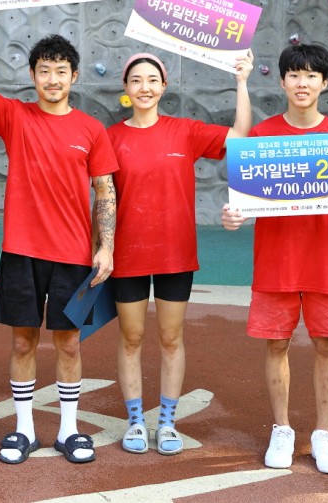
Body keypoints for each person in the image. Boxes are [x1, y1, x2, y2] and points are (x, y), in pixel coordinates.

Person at [0, 0, 118, 465]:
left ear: (74, 76)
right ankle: (24, 429)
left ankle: (69, 430)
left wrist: (106, 247)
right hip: (21, 251)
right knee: (23, 339)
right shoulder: (15, 117)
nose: (52, 79)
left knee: (68, 342)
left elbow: (105, 190)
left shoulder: (91, 129)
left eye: (61, 71)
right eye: (44, 71)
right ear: (32, 75)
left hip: (73, 254)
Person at [221, 43, 328, 475]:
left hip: (326, 261)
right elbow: (245, 203)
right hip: (276, 261)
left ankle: (324, 433)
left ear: (324, 83)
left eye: (311, 76)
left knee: (326, 344)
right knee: (276, 343)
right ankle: (283, 428)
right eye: (294, 75)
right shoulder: (261, 137)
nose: (302, 83)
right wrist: (234, 216)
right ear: (282, 81)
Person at [108, 50, 252, 456]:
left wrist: (241, 81)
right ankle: (136, 421)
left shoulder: (185, 131)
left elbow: (239, 137)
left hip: (175, 253)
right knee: (131, 337)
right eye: (136, 80)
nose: (144, 87)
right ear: (126, 87)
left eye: (152, 80)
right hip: (128, 254)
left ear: (164, 87)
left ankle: (167, 422)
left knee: (171, 338)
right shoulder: (111, 137)